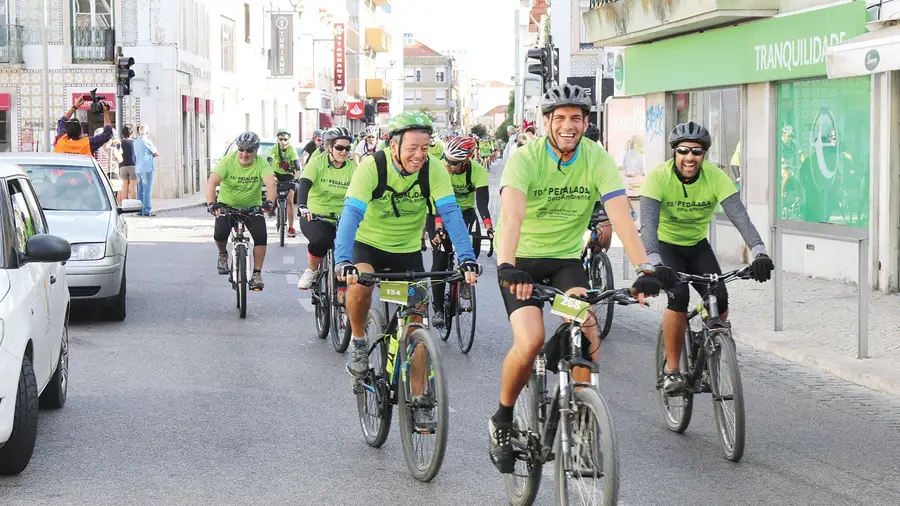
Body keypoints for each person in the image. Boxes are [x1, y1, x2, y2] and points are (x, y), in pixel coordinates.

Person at [488, 82, 663, 474]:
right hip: (523, 264)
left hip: (565, 261)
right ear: (546, 122)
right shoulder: (525, 158)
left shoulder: (596, 158)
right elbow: (512, 217)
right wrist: (506, 264)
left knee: (585, 327)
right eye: (562, 118)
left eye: (577, 118)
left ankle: (583, 427)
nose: (570, 125)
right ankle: (502, 419)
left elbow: (620, 215)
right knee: (530, 339)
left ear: (586, 123)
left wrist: (644, 268)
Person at [334, 111, 481, 379]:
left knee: (416, 325)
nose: (419, 154)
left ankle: (421, 405)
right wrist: (342, 260)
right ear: (394, 145)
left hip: (407, 250)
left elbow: (451, 214)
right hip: (369, 244)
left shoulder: (434, 169)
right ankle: (358, 342)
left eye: (425, 148)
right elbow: (351, 215)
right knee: (359, 286)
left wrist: (467, 257)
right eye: (412, 147)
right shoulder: (372, 167)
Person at [640, 121, 774, 395]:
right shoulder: (657, 178)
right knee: (678, 297)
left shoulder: (715, 177)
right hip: (666, 247)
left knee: (720, 297)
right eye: (683, 151)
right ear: (674, 153)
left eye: (697, 152)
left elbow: (740, 217)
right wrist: (655, 264)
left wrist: (759, 251)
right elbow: (648, 226)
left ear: (705, 155)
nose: (690, 157)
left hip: (697, 246)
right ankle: (672, 371)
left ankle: (706, 342)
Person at [425, 136, 493, 328]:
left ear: (467, 159)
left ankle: (464, 278)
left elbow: (482, 202)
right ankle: (438, 309)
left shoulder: (477, 171)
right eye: (446, 159)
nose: (448, 164)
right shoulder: (439, 168)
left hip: (464, 212)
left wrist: (489, 227)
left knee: (476, 241)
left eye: (453, 162)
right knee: (440, 257)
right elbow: (437, 201)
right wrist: (438, 227)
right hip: (437, 212)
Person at [205, 132, 277, 291]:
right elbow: (212, 182)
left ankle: (257, 274)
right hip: (227, 205)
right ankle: (223, 254)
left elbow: (270, 183)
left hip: (252, 207)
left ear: (256, 151)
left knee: (261, 236)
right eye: (241, 149)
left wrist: (269, 203)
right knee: (220, 232)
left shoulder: (261, 163)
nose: (245, 154)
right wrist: (212, 203)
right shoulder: (228, 161)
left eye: (249, 150)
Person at [296, 126, 357, 290]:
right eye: (339, 147)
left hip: (343, 217)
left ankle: (343, 304)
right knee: (321, 240)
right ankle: (312, 269)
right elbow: (304, 183)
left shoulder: (353, 169)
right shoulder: (317, 163)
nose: (344, 152)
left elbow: (363, 192)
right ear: (330, 147)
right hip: (315, 216)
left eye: (347, 148)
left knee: (352, 249)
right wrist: (302, 205)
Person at [267, 128, 301, 238]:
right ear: (277, 139)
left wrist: (298, 178)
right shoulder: (274, 149)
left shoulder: (292, 149)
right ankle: (271, 206)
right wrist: (269, 175)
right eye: (280, 139)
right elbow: (268, 162)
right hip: (276, 173)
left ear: (289, 140)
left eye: (285, 139)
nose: (283, 142)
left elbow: (297, 166)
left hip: (289, 175)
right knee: (273, 189)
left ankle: (291, 228)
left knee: (290, 199)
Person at [133, 125, 159, 216]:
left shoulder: (135, 142)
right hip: (147, 168)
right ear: (147, 132)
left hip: (138, 168)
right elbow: (156, 153)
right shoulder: (147, 141)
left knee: (139, 190)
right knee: (147, 190)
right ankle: (146, 210)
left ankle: (139, 210)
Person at [118, 124, 137, 205]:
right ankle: (132, 206)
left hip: (122, 166)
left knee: (124, 188)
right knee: (133, 188)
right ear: (132, 133)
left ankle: (124, 205)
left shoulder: (120, 143)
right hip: (133, 166)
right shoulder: (135, 142)